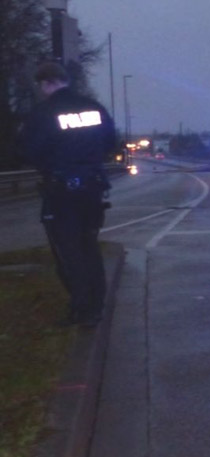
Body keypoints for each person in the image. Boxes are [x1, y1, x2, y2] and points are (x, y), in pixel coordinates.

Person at [18, 62, 116, 327]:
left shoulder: (44, 113)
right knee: (89, 245)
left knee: (68, 251)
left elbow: (31, 151)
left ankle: (82, 309)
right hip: (93, 188)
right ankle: (97, 303)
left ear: (48, 83)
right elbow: (110, 142)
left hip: (61, 192)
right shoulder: (94, 108)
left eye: (41, 86)